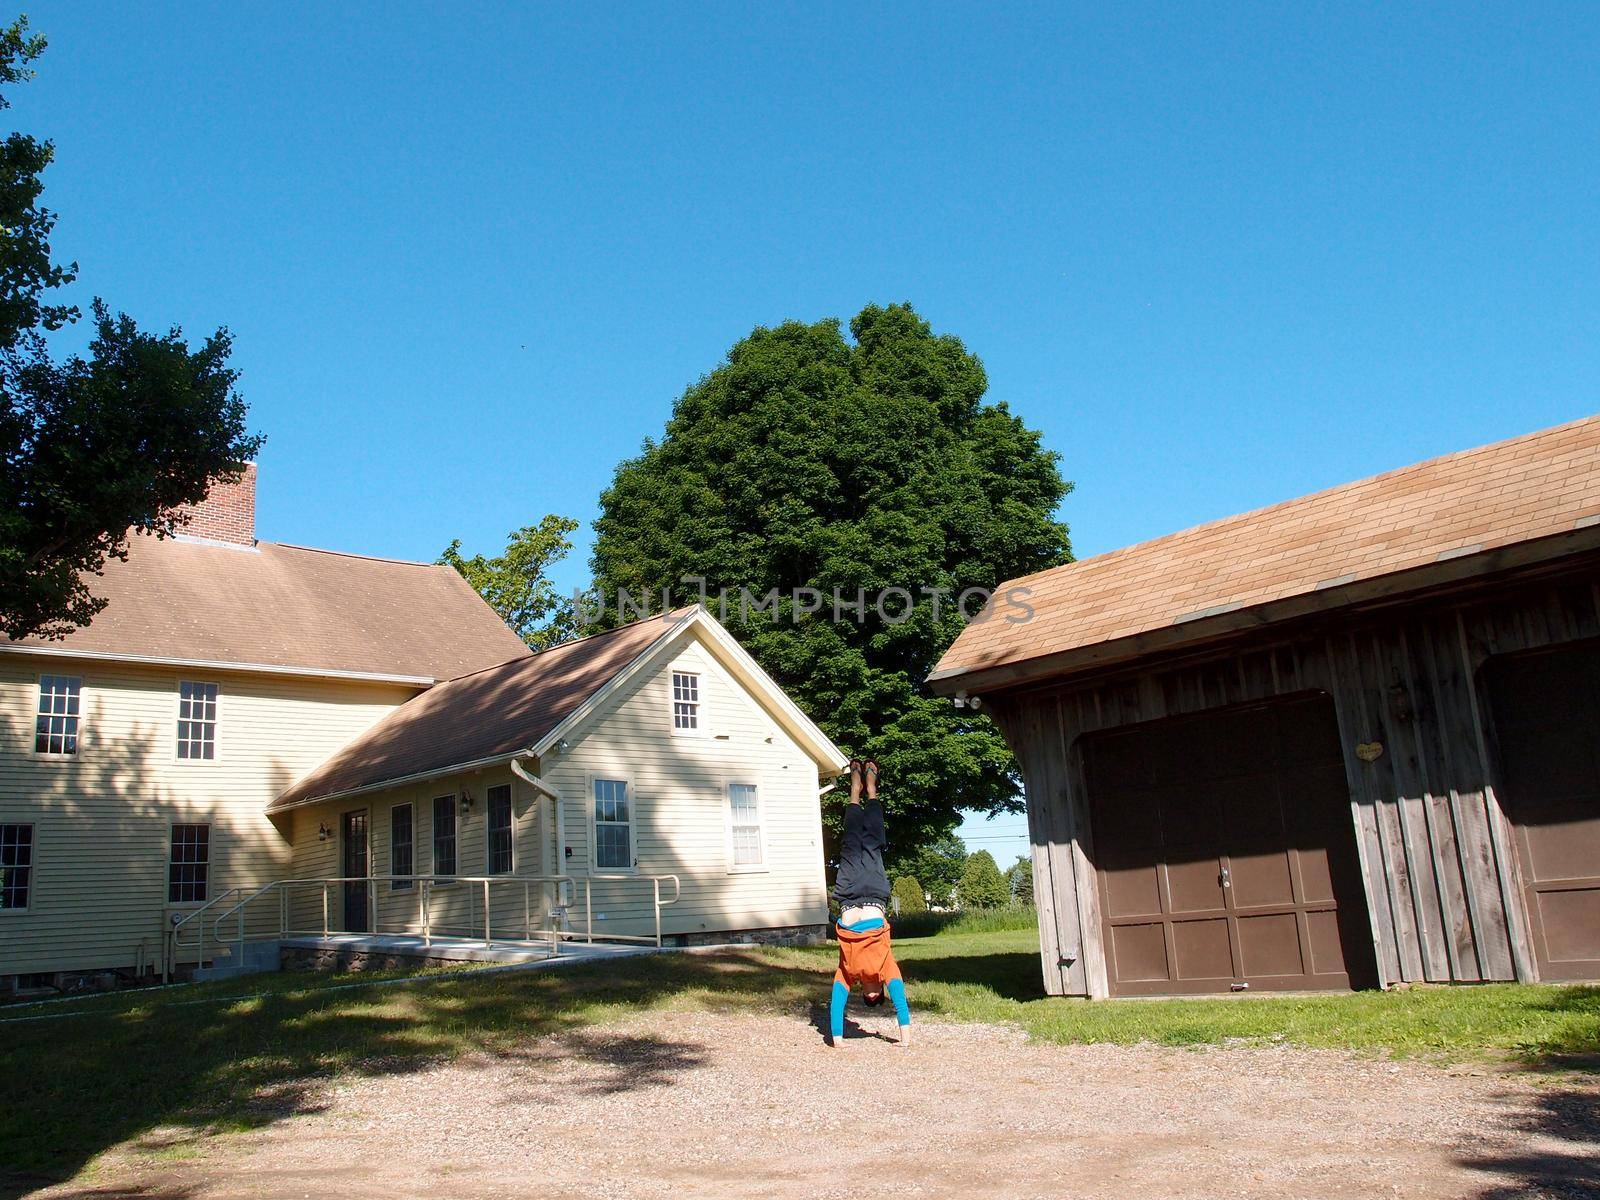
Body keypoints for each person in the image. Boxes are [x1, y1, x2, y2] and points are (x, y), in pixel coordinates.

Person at [827, 758, 911, 1047]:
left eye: (867, 997)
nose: (873, 995)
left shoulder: (849, 973)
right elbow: (900, 1001)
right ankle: (871, 790)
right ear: (882, 990)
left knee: (851, 843)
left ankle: (854, 792)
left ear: (862, 990)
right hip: (874, 894)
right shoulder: (887, 969)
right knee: (874, 842)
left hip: (849, 896)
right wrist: (905, 1039)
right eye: (878, 997)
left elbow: (837, 1001)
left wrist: (837, 1039)